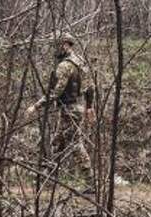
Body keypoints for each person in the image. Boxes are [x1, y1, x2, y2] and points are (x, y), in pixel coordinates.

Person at [26, 31, 95, 187]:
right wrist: (89, 106)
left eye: (56, 45)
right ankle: (49, 179)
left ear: (65, 45)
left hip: (69, 109)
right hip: (75, 108)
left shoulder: (65, 66)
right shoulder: (80, 62)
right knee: (57, 143)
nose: (54, 49)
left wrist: (36, 106)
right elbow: (90, 87)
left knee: (75, 145)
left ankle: (90, 183)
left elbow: (56, 93)